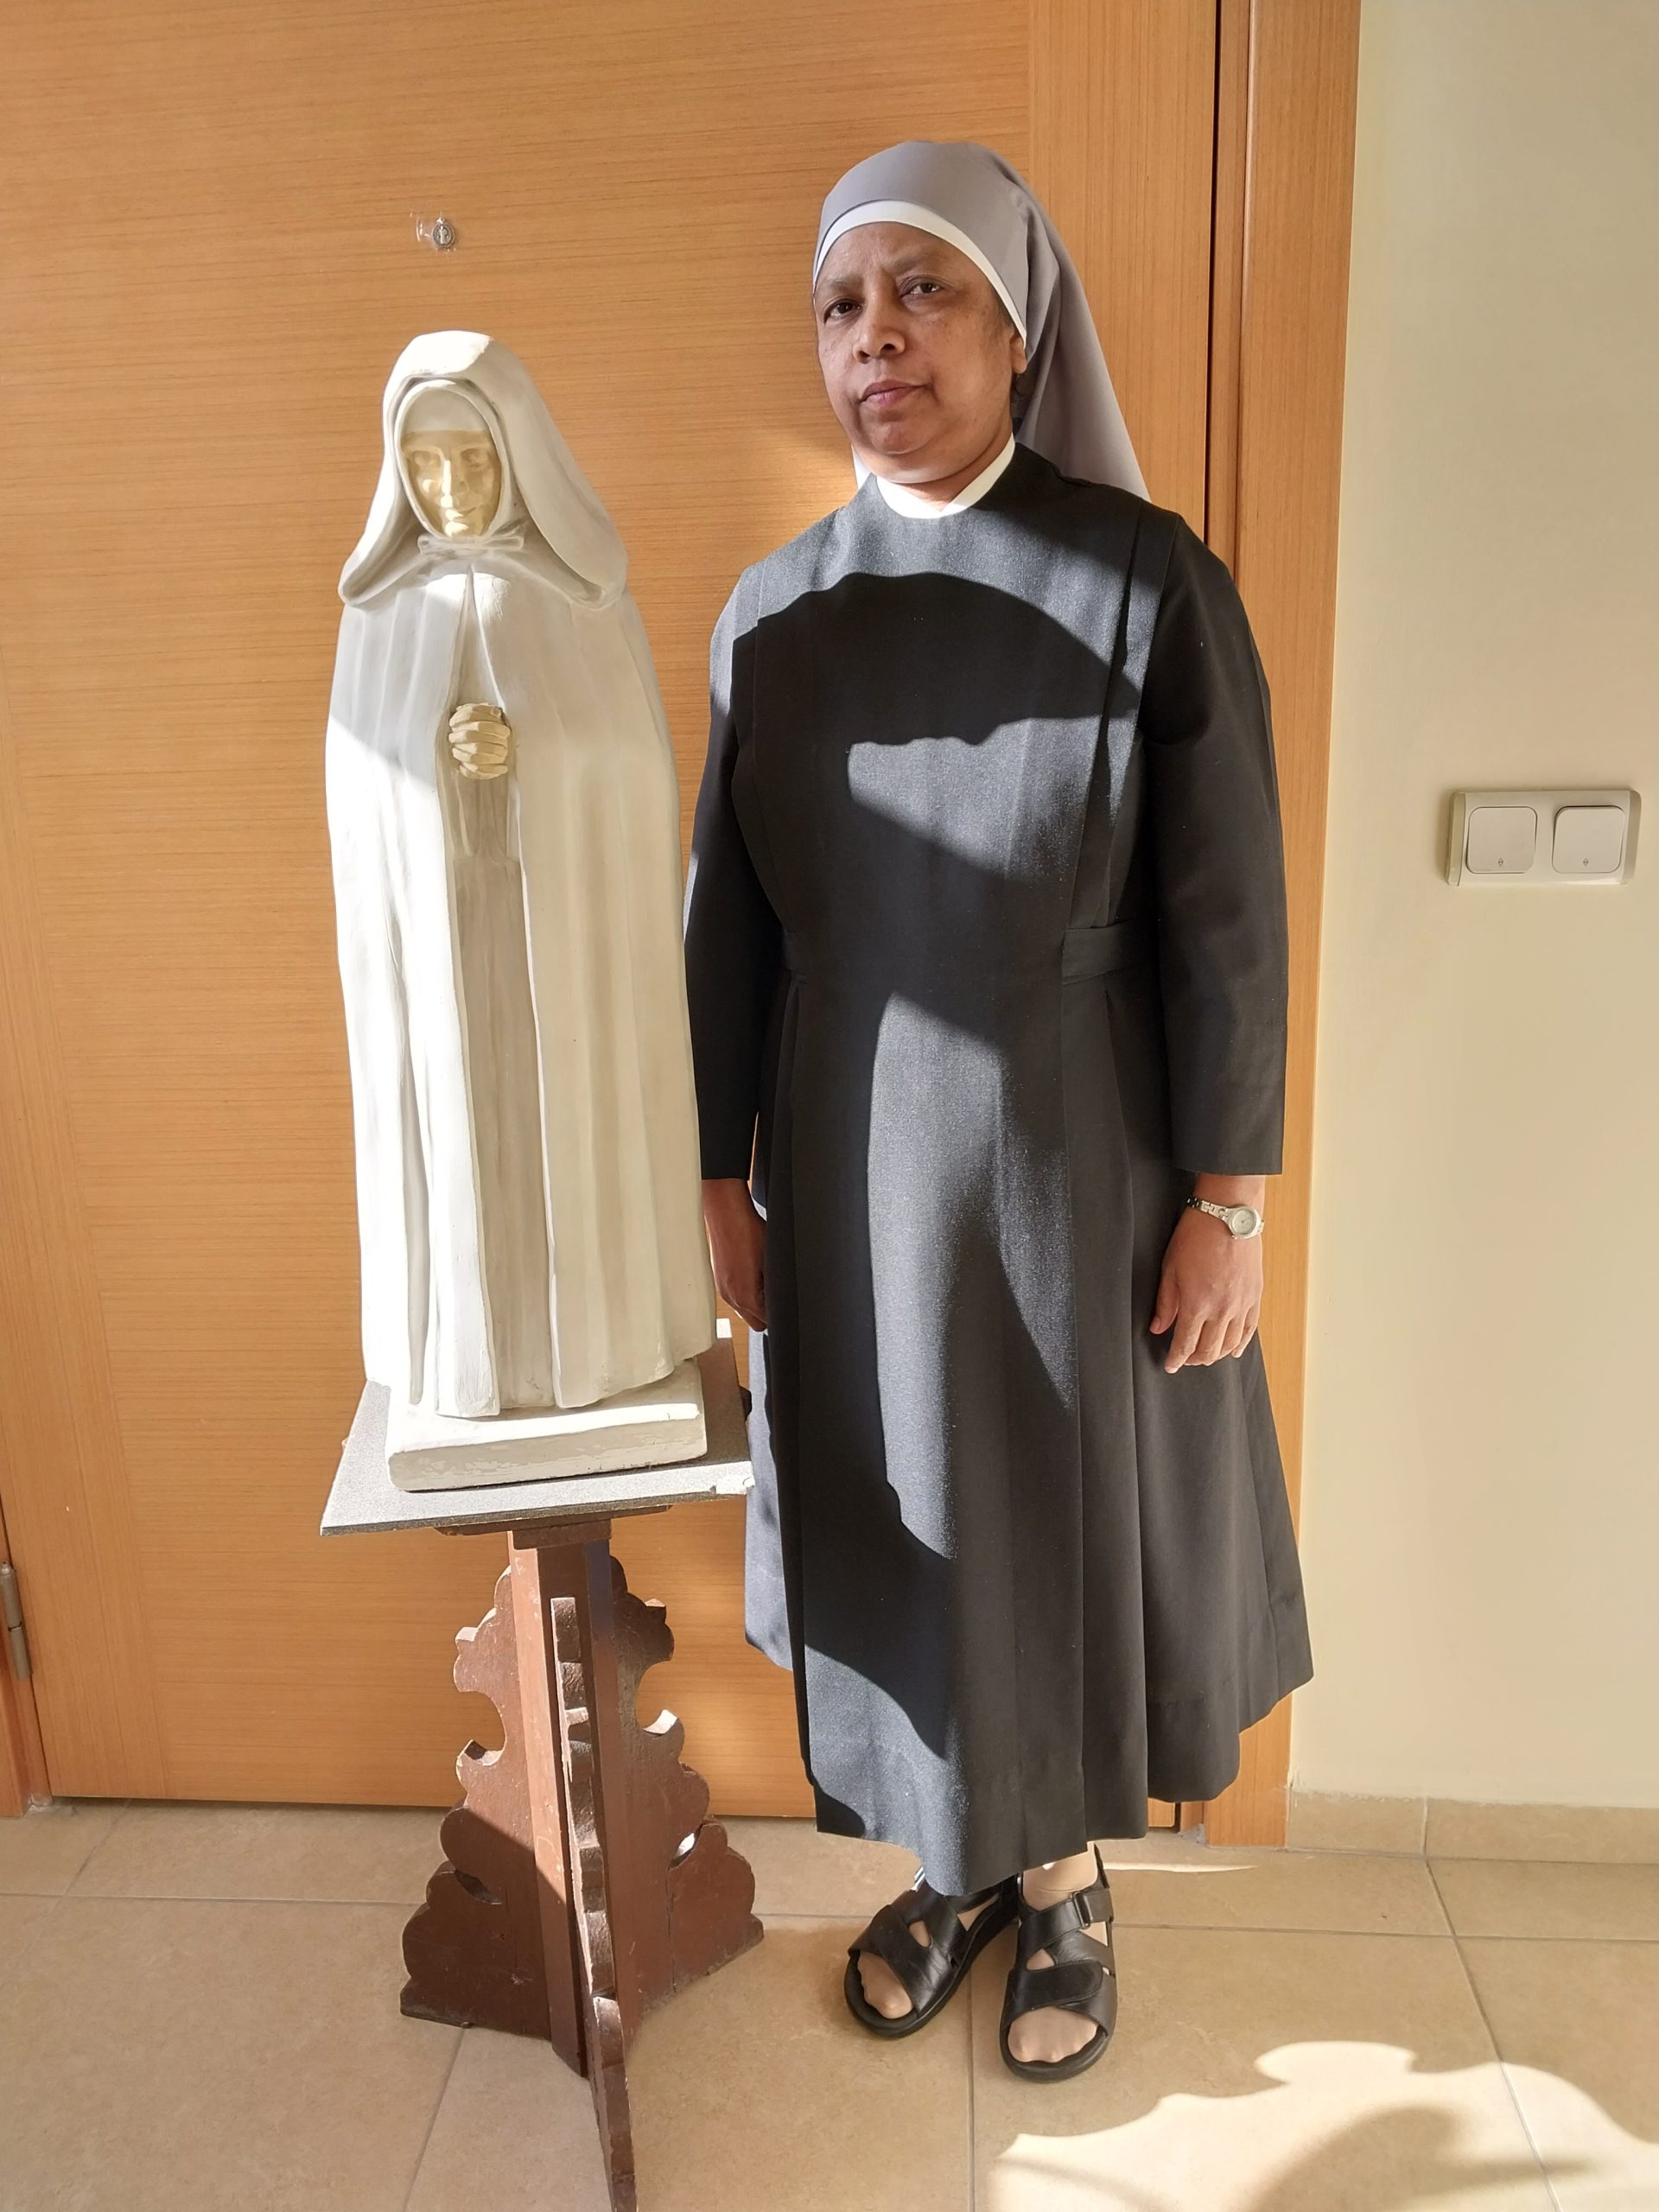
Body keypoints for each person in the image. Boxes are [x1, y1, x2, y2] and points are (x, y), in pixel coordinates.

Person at [681, 139, 1314, 2081]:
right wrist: (715, 1173)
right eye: (841, 304)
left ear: (1019, 329)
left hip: (1082, 1155)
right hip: (848, 1153)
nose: (877, 338)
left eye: (923, 290)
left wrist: (1231, 1196)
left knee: (1056, 1525)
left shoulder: (1145, 577)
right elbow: (726, 926)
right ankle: (954, 1861)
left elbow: (1228, 914)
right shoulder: (774, 617)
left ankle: (1062, 1878)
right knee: (906, 1519)